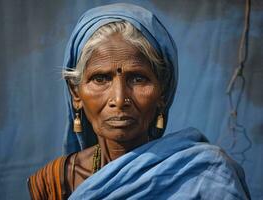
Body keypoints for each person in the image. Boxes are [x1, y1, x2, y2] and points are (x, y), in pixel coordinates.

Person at [28, 3, 251, 200]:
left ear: (162, 91)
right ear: (76, 92)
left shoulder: (208, 174)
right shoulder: (55, 182)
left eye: (137, 78)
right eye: (100, 78)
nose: (119, 99)